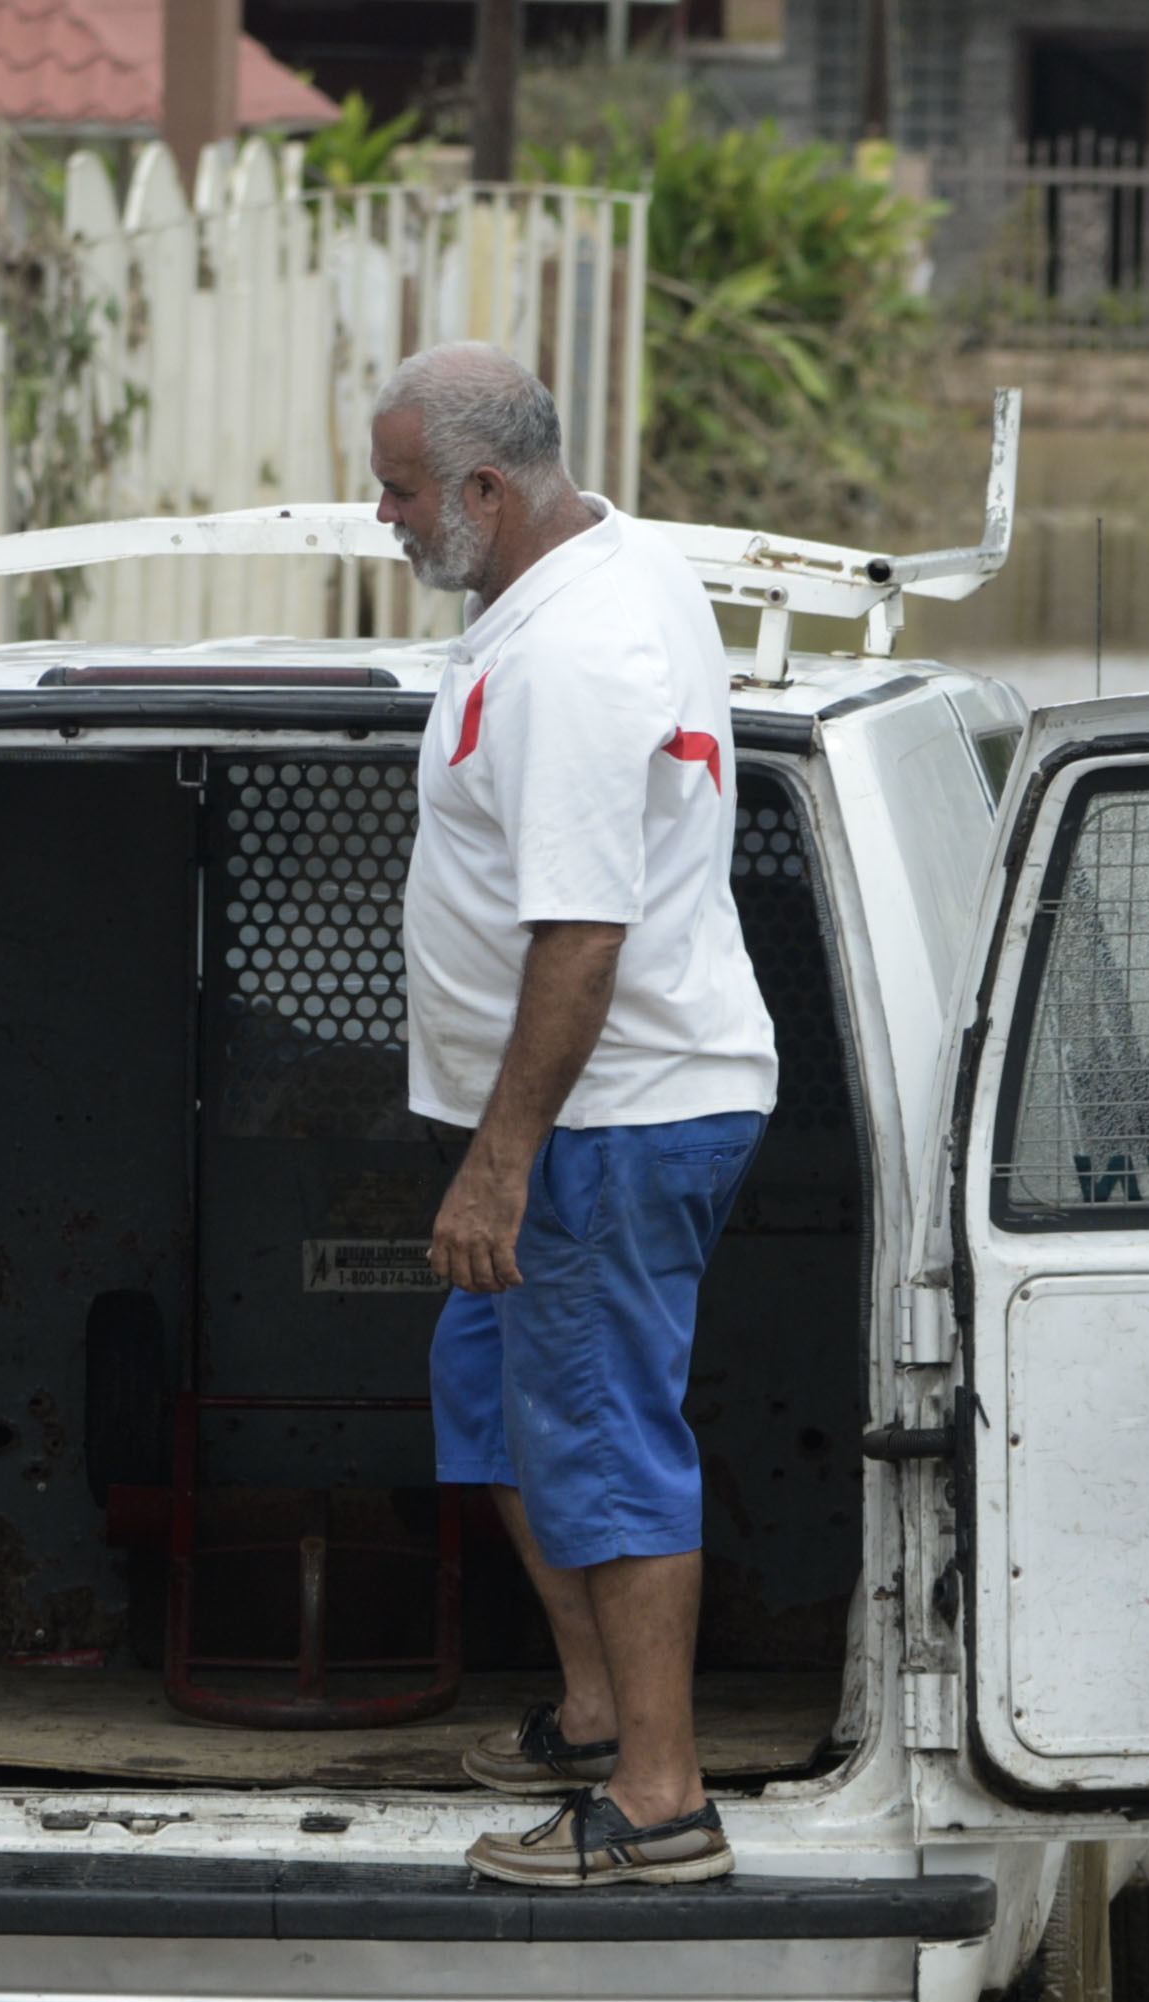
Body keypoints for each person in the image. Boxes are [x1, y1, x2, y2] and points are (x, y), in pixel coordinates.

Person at [369, 340, 777, 1891]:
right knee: (490, 1385)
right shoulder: (574, 578)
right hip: (592, 1112)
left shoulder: (571, 654)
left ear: (485, 488)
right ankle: (601, 1710)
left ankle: (660, 1805)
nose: (384, 513)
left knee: (602, 1442)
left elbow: (583, 933)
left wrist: (501, 1162)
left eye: (405, 488)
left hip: (610, 1118)